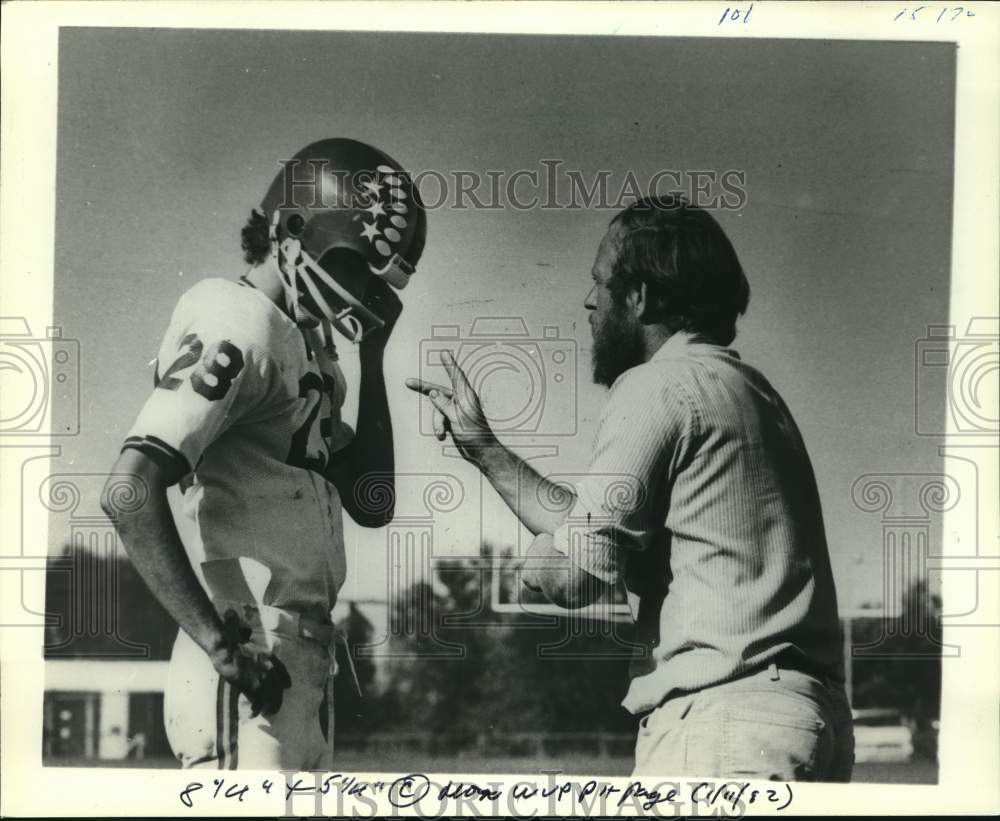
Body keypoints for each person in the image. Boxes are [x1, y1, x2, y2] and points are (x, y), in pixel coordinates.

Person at [407, 194, 853, 782]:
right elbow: (602, 529)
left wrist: (536, 567)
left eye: (600, 282)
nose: (590, 301)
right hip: (807, 720)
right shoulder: (752, 392)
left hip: (725, 726)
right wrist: (484, 447)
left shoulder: (655, 387)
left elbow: (575, 576)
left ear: (639, 296)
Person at [103, 138, 426, 770]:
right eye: (356, 266)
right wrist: (219, 644)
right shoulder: (237, 318)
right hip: (247, 643)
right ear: (291, 232)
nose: (363, 291)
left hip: (304, 655)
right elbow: (129, 489)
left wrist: (373, 359)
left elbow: (372, 502)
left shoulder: (307, 345)